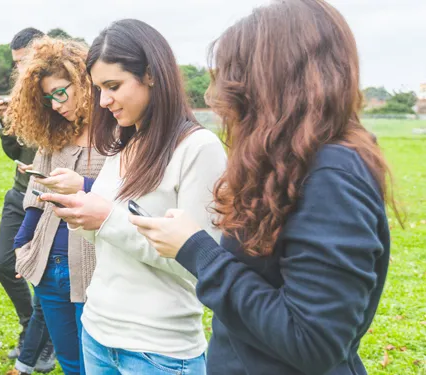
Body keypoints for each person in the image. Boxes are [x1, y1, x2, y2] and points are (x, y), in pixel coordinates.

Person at [129, 1, 398, 374]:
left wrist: (197, 251)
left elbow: (312, 341)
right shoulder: (296, 162)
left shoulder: (331, 176)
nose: (218, 97)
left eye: (234, 77)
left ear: (273, 82)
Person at [43, 19, 227, 375]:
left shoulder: (199, 148)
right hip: (97, 334)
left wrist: (106, 218)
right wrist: (83, 206)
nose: (103, 100)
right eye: (98, 88)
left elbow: (201, 268)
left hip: (158, 353)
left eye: (113, 86)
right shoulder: (123, 142)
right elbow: (110, 237)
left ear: (152, 75)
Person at [5, 36, 107, 375]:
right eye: (48, 98)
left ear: (84, 81)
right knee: (70, 362)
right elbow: (35, 192)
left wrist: (84, 186)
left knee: (98, 362)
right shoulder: (55, 134)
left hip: (95, 269)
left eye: (61, 92)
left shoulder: (119, 134)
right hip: (49, 267)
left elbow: (125, 196)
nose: (56, 105)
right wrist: (23, 244)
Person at [0, 27, 56, 373]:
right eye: (17, 64)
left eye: (26, 62)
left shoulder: (62, 94)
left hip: (49, 197)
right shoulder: (20, 98)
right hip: (19, 191)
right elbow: (13, 149)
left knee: (45, 273)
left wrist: (47, 163)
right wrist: (6, 120)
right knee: (5, 263)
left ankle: (43, 342)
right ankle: (34, 329)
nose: (21, 71)